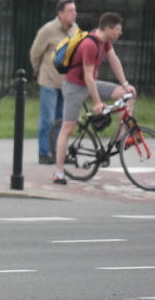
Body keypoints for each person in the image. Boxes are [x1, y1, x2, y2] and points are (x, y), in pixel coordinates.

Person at [53, 12, 138, 184]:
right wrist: (97, 102)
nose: (120, 33)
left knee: (129, 94)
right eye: (117, 30)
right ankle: (59, 172)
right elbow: (88, 77)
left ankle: (121, 138)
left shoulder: (104, 42)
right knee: (67, 128)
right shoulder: (89, 45)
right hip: (75, 87)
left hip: (89, 83)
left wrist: (125, 83)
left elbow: (113, 60)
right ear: (107, 29)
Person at [28, 0, 77, 164]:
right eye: (70, 11)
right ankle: (44, 152)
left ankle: (58, 153)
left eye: (74, 10)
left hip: (66, 82)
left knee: (62, 120)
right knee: (47, 118)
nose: (74, 14)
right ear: (60, 13)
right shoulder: (48, 30)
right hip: (49, 80)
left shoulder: (75, 30)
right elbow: (35, 53)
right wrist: (39, 71)